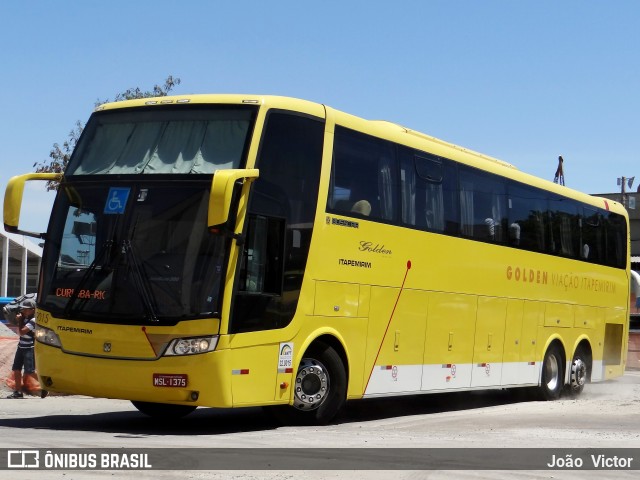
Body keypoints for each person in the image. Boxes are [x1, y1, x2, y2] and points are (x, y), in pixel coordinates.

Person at [5, 297, 46, 399]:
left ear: (32, 310)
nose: (23, 311)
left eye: (26, 309)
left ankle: (45, 386)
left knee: (29, 371)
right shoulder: (25, 318)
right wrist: (20, 319)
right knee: (16, 369)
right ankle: (18, 392)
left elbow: (22, 332)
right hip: (21, 346)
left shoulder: (33, 320)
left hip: (29, 347)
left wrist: (19, 320)